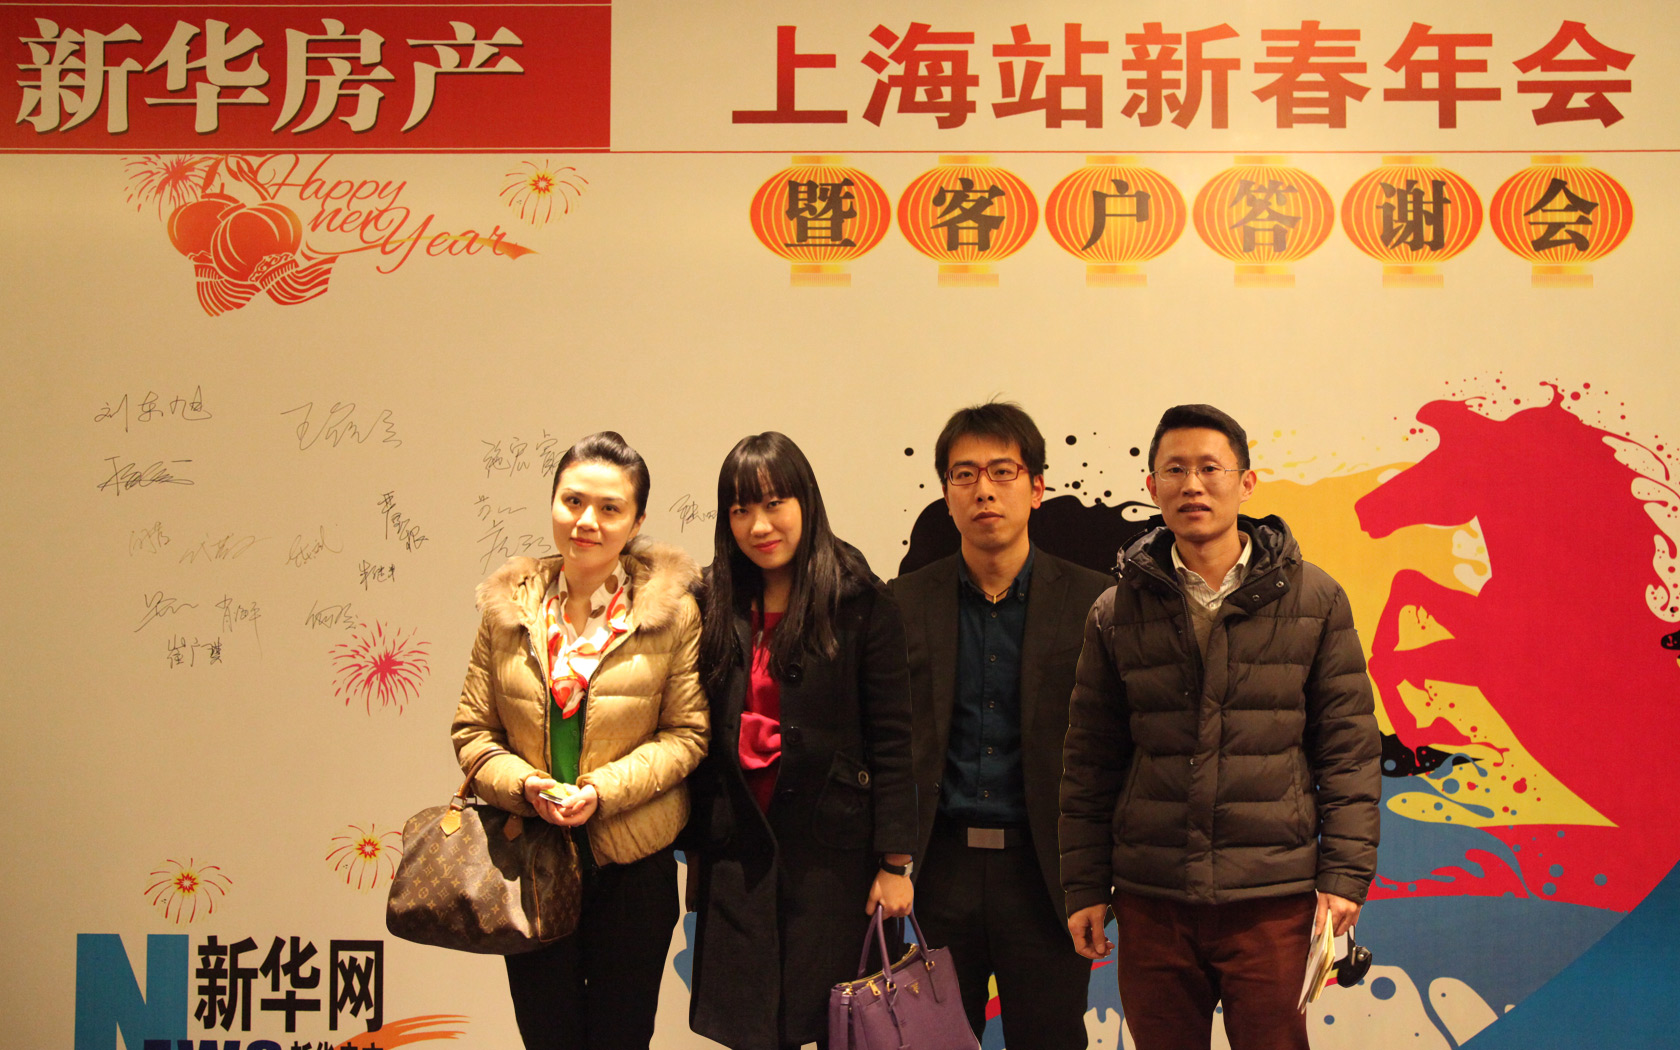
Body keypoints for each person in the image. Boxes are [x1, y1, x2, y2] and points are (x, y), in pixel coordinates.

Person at [1060, 404, 1381, 1050]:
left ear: (1247, 483)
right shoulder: (1116, 612)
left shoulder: (1315, 600)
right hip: (1153, 898)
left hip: (1271, 900)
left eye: (1211, 468)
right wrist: (1085, 887)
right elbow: (1090, 763)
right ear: (1151, 487)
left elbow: (1348, 751)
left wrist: (1345, 875)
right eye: (1174, 470)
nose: (1193, 485)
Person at [452, 431, 708, 1050]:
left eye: (609, 508)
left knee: (622, 1038)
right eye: (572, 501)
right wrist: (525, 785)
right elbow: (473, 731)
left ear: (637, 521)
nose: (586, 521)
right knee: (548, 1037)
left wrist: (601, 791)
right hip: (531, 862)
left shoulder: (671, 612)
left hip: (632, 866)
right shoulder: (509, 610)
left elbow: (687, 734)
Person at [890, 402, 1112, 1049]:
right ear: (946, 494)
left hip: (1045, 876)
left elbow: (1111, 750)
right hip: (936, 873)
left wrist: (1095, 876)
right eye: (964, 475)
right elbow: (884, 745)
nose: (983, 489)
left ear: (1036, 488)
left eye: (1002, 471)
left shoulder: (1096, 603)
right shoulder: (902, 603)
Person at [686, 432, 917, 1050]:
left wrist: (895, 863)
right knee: (752, 1026)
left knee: (840, 1025)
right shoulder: (710, 601)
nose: (759, 525)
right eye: (741, 510)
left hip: (834, 861)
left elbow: (894, 741)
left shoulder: (860, 600)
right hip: (739, 853)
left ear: (806, 502)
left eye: (774, 504)